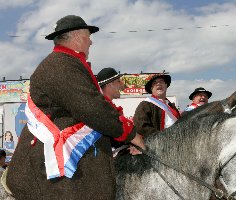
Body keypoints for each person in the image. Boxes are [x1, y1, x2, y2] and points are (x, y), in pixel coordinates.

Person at [5, 15, 144, 200]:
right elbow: (93, 109)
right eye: (88, 36)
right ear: (77, 37)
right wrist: (132, 135)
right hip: (53, 172)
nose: (91, 42)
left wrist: (123, 142)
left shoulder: (65, 62)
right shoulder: (61, 65)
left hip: (62, 167)